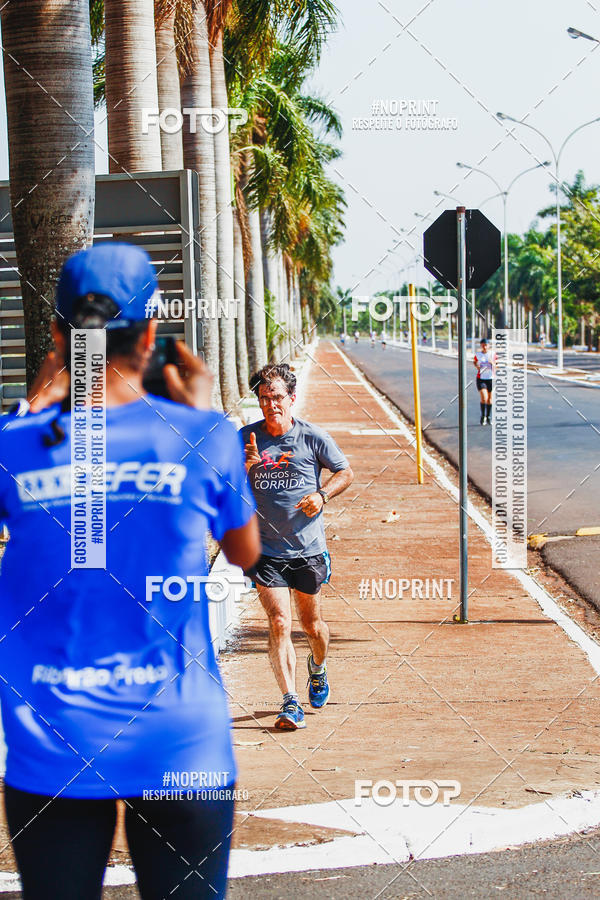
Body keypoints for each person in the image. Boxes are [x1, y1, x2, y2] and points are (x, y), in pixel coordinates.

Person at [0, 243, 260, 899]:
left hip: (53, 742)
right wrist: (200, 416)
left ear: (59, 335)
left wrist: (42, 400)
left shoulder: (13, 447)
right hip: (179, 744)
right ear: (149, 336)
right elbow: (246, 554)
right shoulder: (206, 437)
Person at [240, 364, 353, 730]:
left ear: (291, 399)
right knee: (278, 621)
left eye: (276, 398)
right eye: (264, 399)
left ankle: (317, 667)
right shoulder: (245, 439)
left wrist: (321, 496)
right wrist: (242, 469)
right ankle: (290, 701)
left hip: (307, 549)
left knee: (312, 625)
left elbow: (345, 472)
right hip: (265, 550)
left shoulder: (313, 437)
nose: (270, 405)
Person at [473, 337, 496, 425]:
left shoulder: (493, 354)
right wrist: (477, 366)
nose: (485, 347)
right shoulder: (478, 354)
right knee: (484, 397)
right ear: (481, 346)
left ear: (489, 346)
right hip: (481, 378)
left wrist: (492, 363)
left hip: (491, 378)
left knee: (490, 399)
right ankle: (483, 416)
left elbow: (496, 366)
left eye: (486, 345)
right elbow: (474, 361)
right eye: (483, 345)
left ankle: (488, 416)